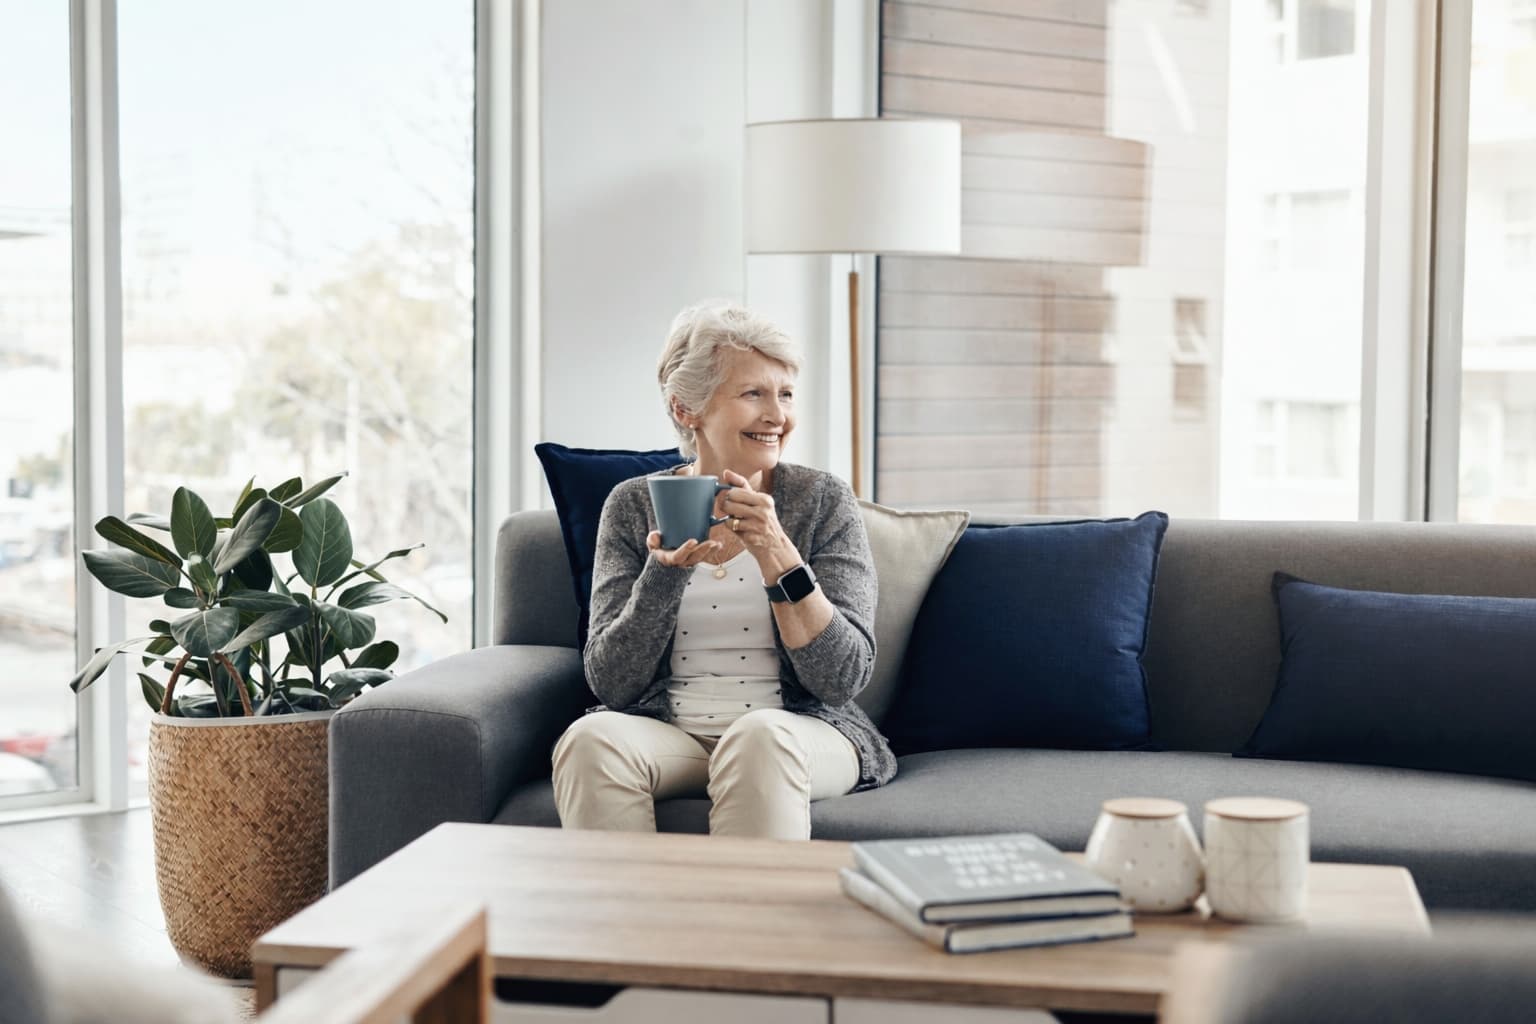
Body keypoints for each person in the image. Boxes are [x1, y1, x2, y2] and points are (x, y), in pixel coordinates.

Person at [551, 303, 896, 840]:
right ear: (687, 409)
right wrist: (664, 574)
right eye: (753, 393)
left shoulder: (822, 500)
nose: (777, 415)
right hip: (673, 734)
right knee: (589, 739)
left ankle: (744, 903)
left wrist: (777, 553)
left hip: (798, 731)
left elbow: (841, 678)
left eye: (786, 394)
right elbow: (612, 682)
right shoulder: (632, 505)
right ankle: (622, 900)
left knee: (758, 738)